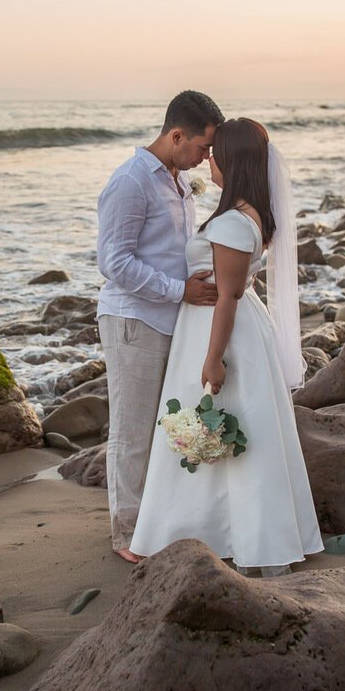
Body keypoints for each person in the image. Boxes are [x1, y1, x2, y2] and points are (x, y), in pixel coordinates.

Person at [129, 118, 323, 573]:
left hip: (224, 335)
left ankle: (232, 537)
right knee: (220, 432)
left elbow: (230, 296)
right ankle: (213, 531)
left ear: (233, 162)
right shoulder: (241, 212)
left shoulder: (236, 221)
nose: (208, 158)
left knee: (226, 430)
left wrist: (214, 358)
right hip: (218, 328)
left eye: (216, 152)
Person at [96, 90, 224, 564]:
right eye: (203, 147)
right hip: (135, 319)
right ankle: (126, 532)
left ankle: (155, 520)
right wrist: (179, 290)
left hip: (169, 317)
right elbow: (113, 262)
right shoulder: (131, 182)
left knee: (164, 425)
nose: (206, 157)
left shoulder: (176, 178)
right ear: (176, 135)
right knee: (132, 431)